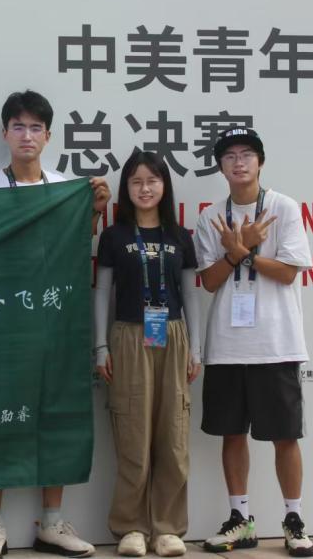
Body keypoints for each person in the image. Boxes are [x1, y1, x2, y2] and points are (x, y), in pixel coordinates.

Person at [0, 89, 108, 559]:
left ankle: (51, 522)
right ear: (5, 133)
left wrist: (92, 211)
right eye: (18, 127)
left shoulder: (64, 186)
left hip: (54, 321)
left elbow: (75, 245)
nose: (26, 135)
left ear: (48, 136)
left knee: (56, 415)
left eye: (35, 128)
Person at [193, 128, 313, 557]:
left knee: (285, 436)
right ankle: (239, 519)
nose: (239, 162)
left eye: (247, 154)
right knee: (231, 433)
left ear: (260, 161)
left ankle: (294, 520)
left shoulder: (284, 207)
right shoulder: (211, 216)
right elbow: (209, 282)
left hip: (276, 342)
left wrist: (244, 252)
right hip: (227, 344)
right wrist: (233, 252)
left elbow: (288, 271)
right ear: (220, 166)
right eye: (229, 156)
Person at [94, 151, 201, 558]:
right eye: (136, 181)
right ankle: (131, 528)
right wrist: (101, 345)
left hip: (173, 337)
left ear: (164, 186)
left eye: (152, 181)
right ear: (126, 188)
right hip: (128, 336)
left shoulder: (180, 236)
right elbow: (102, 293)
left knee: (173, 437)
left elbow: (190, 294)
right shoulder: (114, 236)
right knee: (132, 436)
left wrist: (196, 347)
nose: (145, 188)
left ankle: (168, 529)